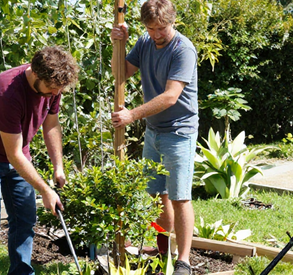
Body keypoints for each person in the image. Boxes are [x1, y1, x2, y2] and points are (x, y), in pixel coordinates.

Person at [0, 46, 78, 274]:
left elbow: (51, 125)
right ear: (35, 73)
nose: (54, 94)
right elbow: (13, 155)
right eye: (51, 89)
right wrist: (45, 190)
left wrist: (58, 167)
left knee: (25, 217)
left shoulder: (53, 86)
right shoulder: (7, 91)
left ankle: (22, 272)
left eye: (58, 90)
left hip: (17, 153)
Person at [110, 0, 198, 274]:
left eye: (162, 28)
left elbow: (172, 96)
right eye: (151, 28)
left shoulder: (183, 49)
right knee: (158, 195)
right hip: (154, 131)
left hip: (179, 131)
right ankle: (163, 251)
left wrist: (132, 115)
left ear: (173, 21)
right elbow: (120, 73)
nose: (157, 34)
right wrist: (118, 45)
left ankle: (183, 261)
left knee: (179, 197)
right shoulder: (145, 42)